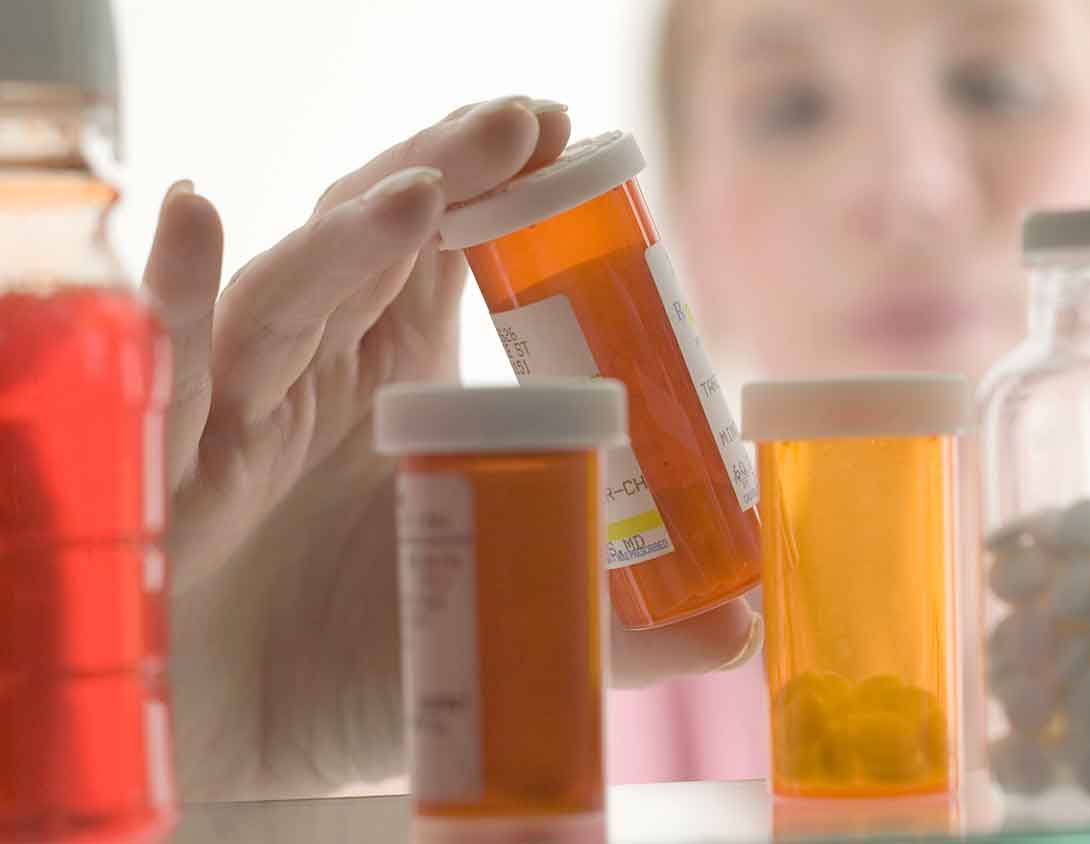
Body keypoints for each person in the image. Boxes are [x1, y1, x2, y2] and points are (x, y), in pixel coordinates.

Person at [606, 0, 1090, 784]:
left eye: (997, 86)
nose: (910, 191)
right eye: (791, 109)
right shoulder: (548, 732)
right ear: (682, 225)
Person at [151, 98, 761, 801]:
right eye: (794, 110)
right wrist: (202, 784)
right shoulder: (534, 720)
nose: (912, 184)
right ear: (688, 195)